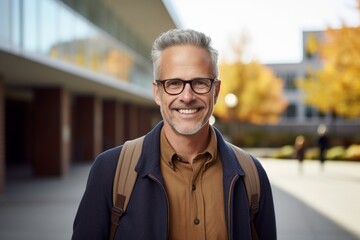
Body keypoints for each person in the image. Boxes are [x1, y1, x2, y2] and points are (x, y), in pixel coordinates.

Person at [72, 29, 276, 240]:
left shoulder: (252, 175)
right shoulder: (110, 171)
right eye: (174, 83)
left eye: (199, 82)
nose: (187, 96)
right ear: (156, 92)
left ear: (215, 90)